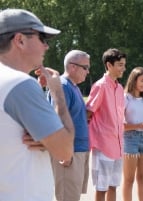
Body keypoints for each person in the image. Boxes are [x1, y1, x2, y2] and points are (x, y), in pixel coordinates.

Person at [0, 8, 74, 201]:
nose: (46, 46)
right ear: (20, 40)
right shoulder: (20, 84)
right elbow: (65, 150)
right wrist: (57, 92)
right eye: (42, 38)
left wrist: (47, 138)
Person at [48, 50, 90, 201]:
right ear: (73, 67)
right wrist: (63, 151)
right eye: (85, 67)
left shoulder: (73, 86)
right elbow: (57, 119)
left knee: (73, 196)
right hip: (69, 153)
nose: (88, 71)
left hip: (79, 150)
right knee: (67, 197)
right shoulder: (63, 86)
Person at [86, 48, 126, 201]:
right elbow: (88, 112)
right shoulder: (100, 86)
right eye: (120, 65)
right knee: (101, 188)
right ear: (109, 65)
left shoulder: (120, 88)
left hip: (118, 146)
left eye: (124, 65)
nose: (123, 68)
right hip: (103, 145)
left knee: (113, 186)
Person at [122, 67, 143, 201]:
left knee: (142, 178)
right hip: (130, 140)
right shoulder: (125, 98)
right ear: (134, 80)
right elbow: (120, 126)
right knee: (129, 179)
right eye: (142, 80)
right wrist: (138, 126)